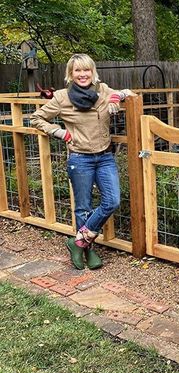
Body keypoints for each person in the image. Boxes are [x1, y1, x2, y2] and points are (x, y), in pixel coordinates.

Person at [31, 54, 136, 269]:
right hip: (80, 159)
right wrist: (59, 132)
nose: (82, 74)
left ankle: (77, 242)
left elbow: (130, 93)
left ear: (93, 72)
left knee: (112, 201)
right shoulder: (62, 97)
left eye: (86, 70)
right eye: (77, 70)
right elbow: (36, 118)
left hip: (105, 157)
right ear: (71, 74)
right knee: (83, 207)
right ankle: (87, 249)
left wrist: (119, 96)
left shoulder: (103, 90)